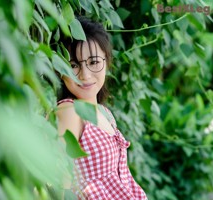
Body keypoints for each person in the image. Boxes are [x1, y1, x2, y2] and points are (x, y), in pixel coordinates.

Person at [56, 16, 148, 200]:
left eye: (93, 62)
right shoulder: (69, 113)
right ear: (61, 70)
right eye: (73, 65)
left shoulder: (105, 113)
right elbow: (59, 186)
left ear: (106, 61)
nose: (85, 75)